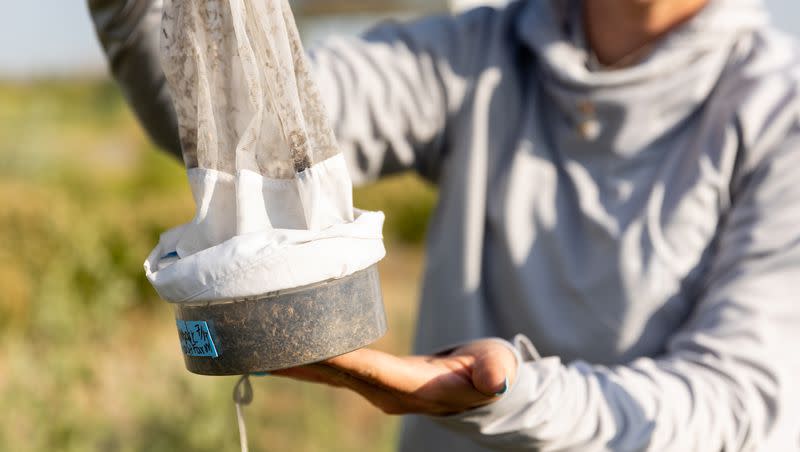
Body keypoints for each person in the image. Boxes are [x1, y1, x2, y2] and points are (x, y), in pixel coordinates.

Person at [88, 0, 800, 449]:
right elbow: (240, 120)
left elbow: (735, 405)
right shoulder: (478, 55)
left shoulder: (778, 116)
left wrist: (515, 398)